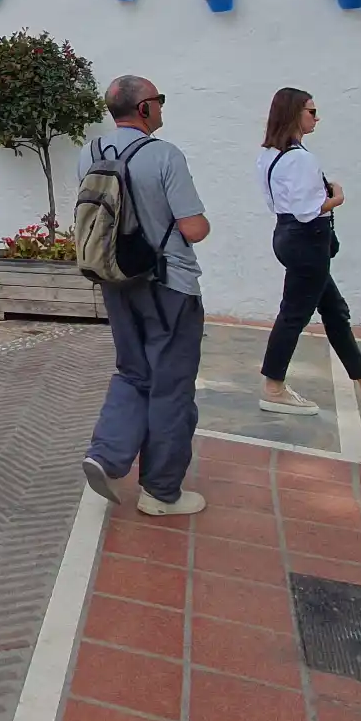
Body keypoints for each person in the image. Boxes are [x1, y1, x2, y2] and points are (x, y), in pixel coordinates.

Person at [81, 76, 211, 518]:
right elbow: (193, 227)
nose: (161, 107)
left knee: (133, 372)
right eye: (159, 100)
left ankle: (105, 455)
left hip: (117, 280)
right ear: (144, 109)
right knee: (172, 387)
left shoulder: (90, 153)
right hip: (168, 285)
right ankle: (161, 492)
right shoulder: (164, 155)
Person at [255, 88, 361, 416]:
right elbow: (307, 210)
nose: (317, 117)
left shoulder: (269, 155)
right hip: (308, 240)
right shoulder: (301, 159)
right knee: (294, 314)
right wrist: (336, 198)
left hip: (288, 236)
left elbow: (280, 203)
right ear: (295, 113)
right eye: (311, 111)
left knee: (334, 310)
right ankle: (273, 388)